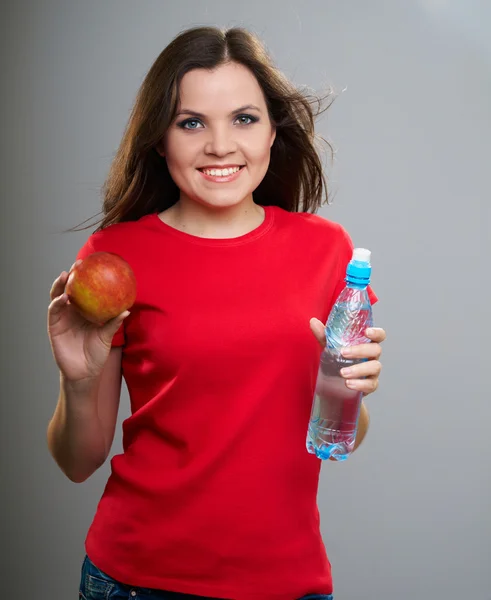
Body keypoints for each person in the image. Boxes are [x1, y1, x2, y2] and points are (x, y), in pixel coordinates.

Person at [46, 26, 386, 600]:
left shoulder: (326, 250)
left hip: (285, 580)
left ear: (273, 131)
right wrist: (78, 382)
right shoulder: (113, 257)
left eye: (244, 119)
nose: (220, 145)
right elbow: (78, 464)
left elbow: (342, 437)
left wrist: (354, 390)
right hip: (134, 581)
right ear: (161, 138)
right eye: (192, 122)